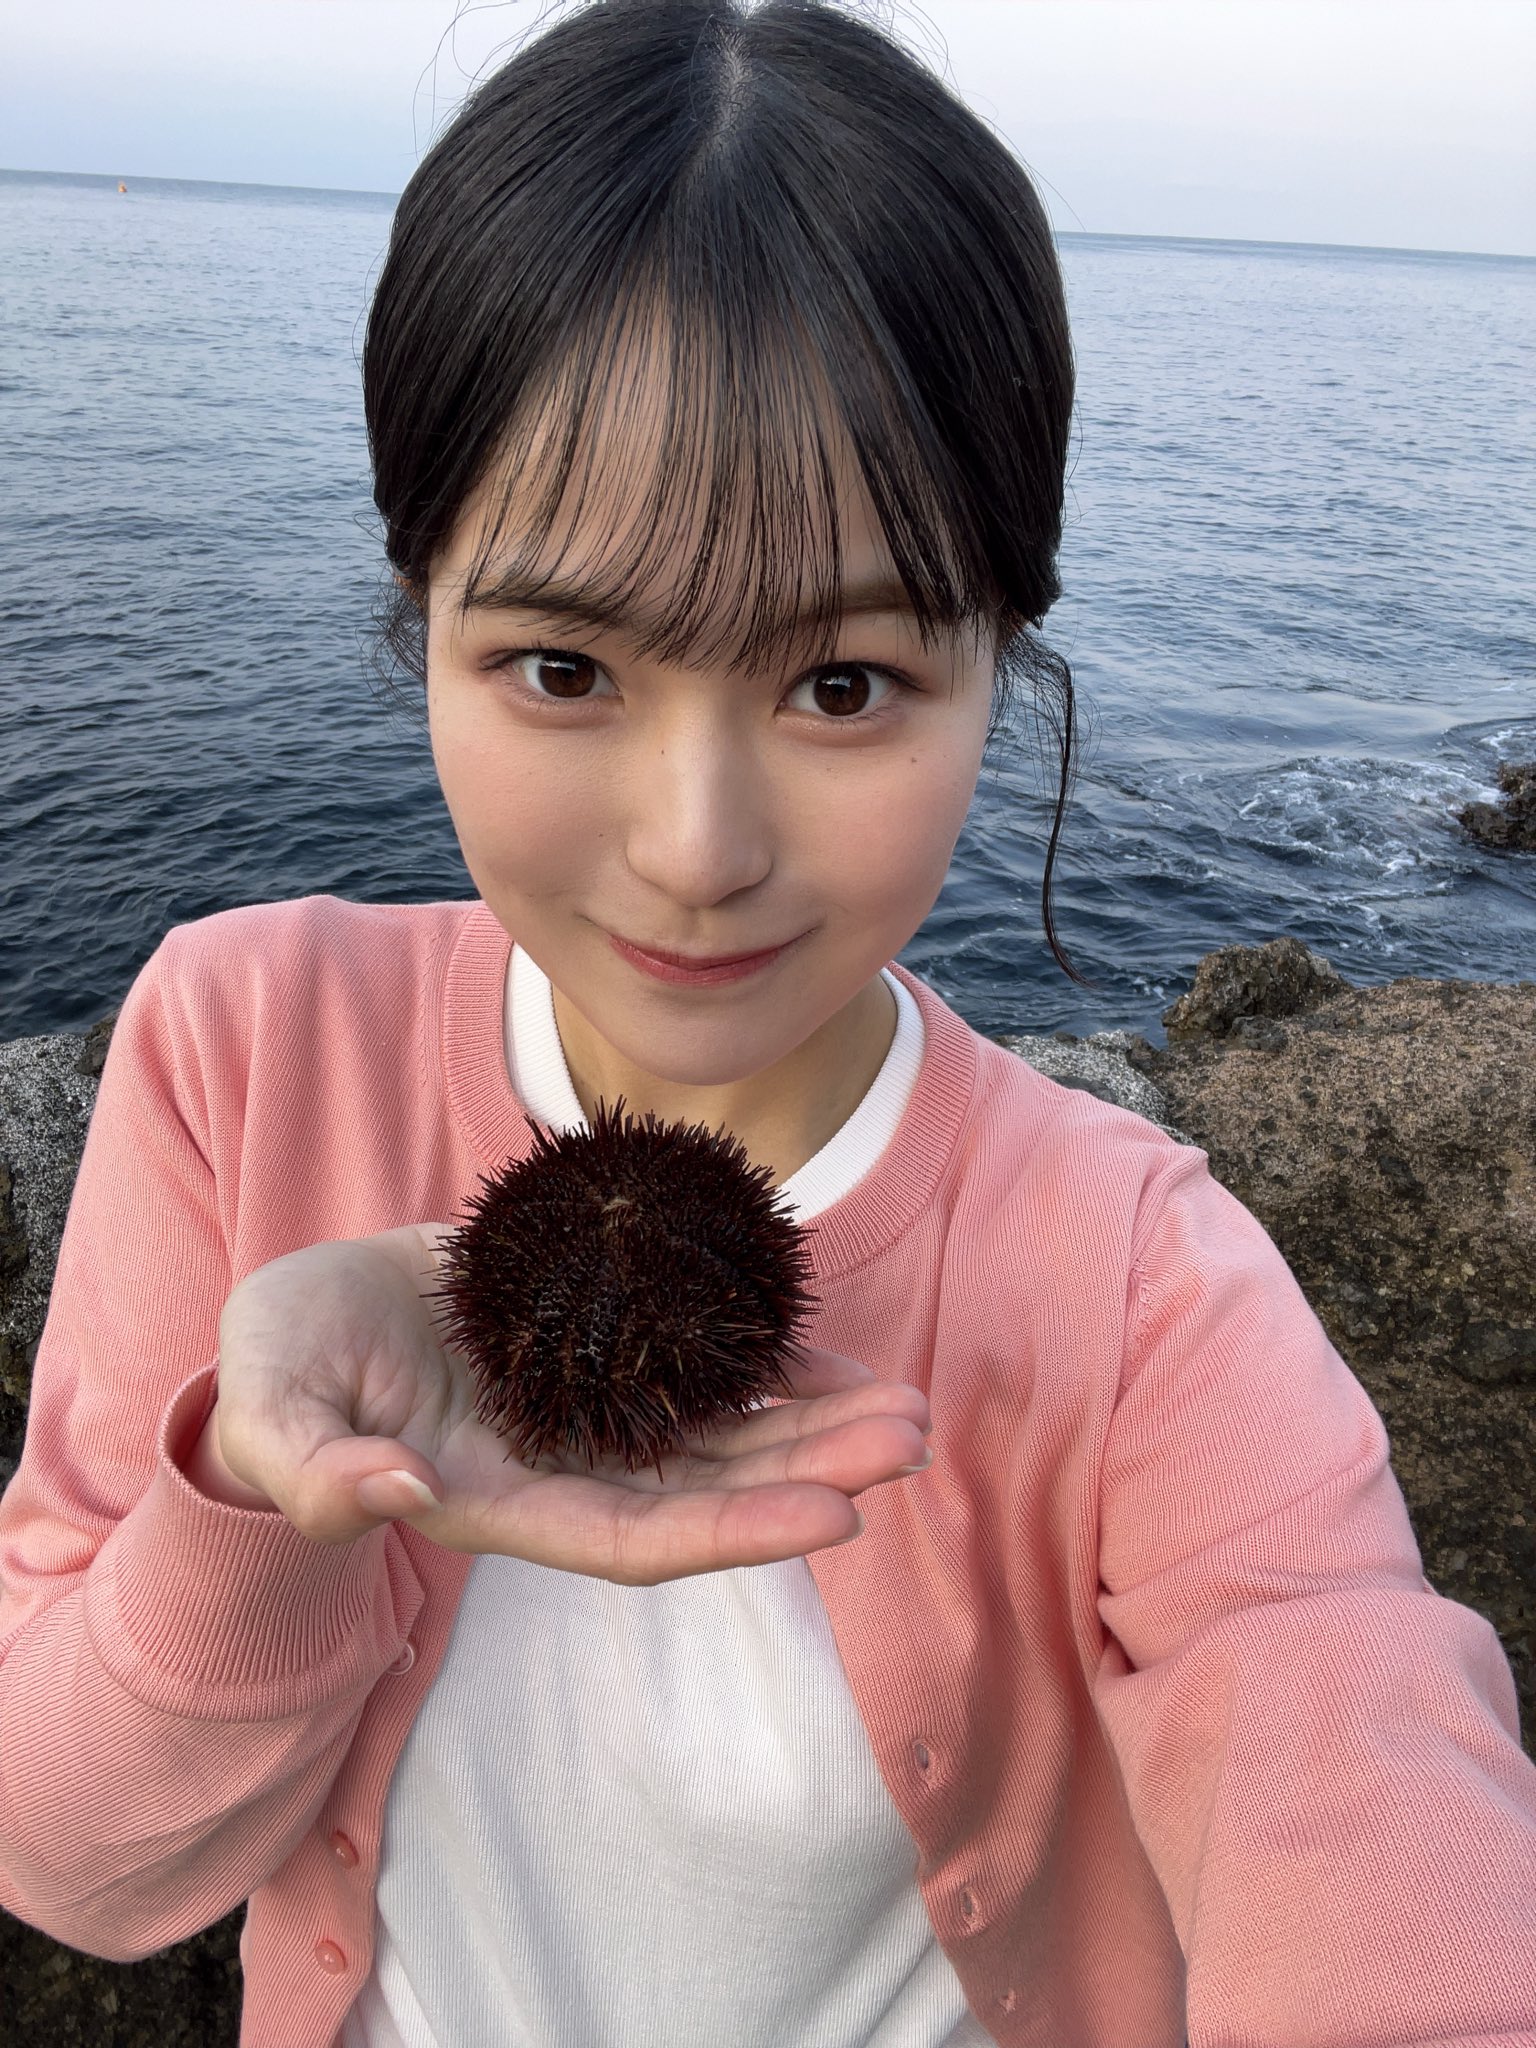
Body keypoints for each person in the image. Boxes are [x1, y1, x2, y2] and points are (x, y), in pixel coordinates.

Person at [2, 2, 1533, 2044]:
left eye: (840, 684)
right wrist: (264, 1494)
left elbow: (1354, 1755)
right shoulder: (239, 1048)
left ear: (1000, 659)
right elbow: (72, 1865)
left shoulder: (1143, 1282)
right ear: (418, 610)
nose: (697, 850)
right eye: (563, 667)